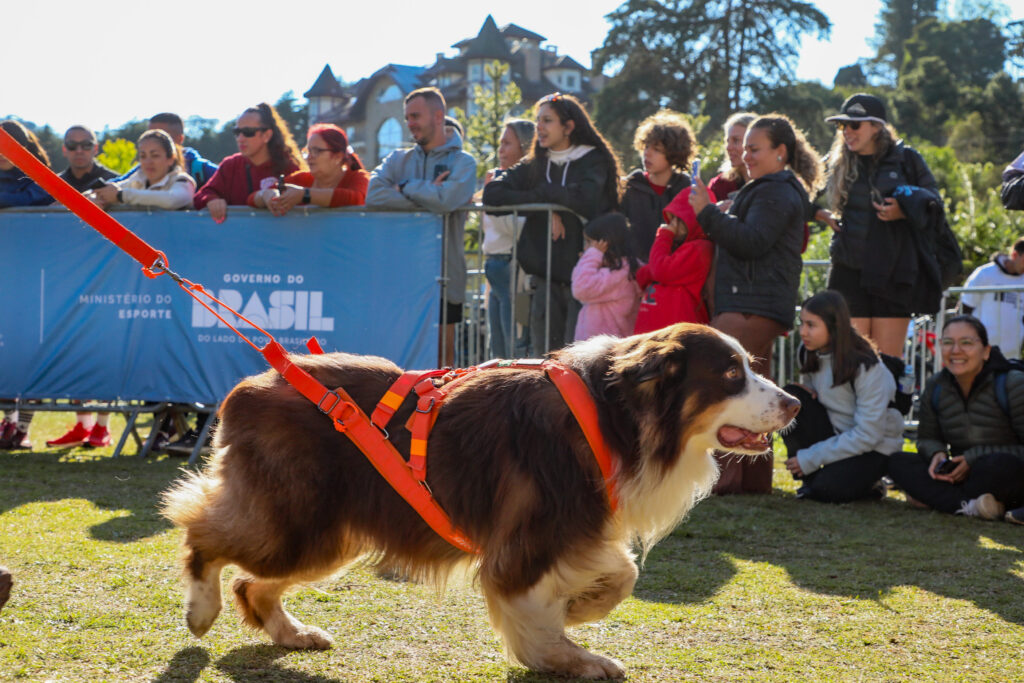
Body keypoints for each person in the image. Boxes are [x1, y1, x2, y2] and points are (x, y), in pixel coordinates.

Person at [689, 113, 824, 495]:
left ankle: (726, 483)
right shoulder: (773, 188)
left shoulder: (774, 190)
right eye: (744, 147)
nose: (745, 155)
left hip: (749, 306)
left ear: (780, 152)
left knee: (731, 393)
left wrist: (708, 211)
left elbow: (752, 241)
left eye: (754, 148)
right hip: (755, 305)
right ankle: (750, 482)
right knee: (755, 394)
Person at [483, 93, 623, 355]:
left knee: (579, 357)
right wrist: (544, 205)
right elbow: (493, 195)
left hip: (584, 279)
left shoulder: (593, 160)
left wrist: (547, 196)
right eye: (538, 120)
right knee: (543, 359)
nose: (540, 127)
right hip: (545, 277)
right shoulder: (536, 162)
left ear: (568, 127)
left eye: (547, 120)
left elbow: (586, 200)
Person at [816, 93, 941, 357]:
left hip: (893, 271)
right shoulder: (836, 160)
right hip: (848, 271)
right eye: (842, 125)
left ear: (877, 126)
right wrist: (820, 213)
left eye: (855, 125)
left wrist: (904, 211)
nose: (847, 131)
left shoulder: (907, 159)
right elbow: (799, 194)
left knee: (886, 363)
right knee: (850, 362)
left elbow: (934, 204)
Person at [366, 87, 477, 367]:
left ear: (438, 116)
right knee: (396, 359)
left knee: (443, 361)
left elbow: (449, 198)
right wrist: (429, 197)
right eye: (407, 118)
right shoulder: (396, 159)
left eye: (415, 116)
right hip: (402, 276)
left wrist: (405, 187)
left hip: (445, 278)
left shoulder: (464, 163)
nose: (410, 123)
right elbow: (374, 194)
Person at [888, 315, 1024, 522]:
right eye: (948, 343)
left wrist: (973, 458)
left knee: (997, 466)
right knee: (897, 462)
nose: (956, 350)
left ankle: (945, 501)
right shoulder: (936, 385)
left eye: (966, 343)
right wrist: (937, 453)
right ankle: (974, 506)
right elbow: (926, 438)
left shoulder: (1012, 384)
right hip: (958, 474)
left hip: (1002, 470)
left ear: (986, 351)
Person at [781, 291, 904, 503]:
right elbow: (812, 400)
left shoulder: (867, 366)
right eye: (802, 323)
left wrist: (810, 457)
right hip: (836, 433)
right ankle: (810, 480)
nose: (803, 331)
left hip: (873, 446)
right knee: (791, 399)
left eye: (811, 325)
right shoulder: (807, 352)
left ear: (834, 326)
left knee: (828, 490)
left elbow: (868, 435)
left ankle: (868, 484)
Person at [0, 119, 53, 449]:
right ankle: (7, 422)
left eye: (9, 146)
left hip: (35, 278)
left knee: (29, 349)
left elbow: (41, 196)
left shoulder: (40, 179)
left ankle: (21, 426)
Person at [193, 102, 305, 223]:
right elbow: (201, 196)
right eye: (237, 132)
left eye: (248, 132)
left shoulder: (289, 167)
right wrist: (211, 200)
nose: (240, 138)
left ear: (267, 135)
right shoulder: (230, 165)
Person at [479, 119, 533, 358]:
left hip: (513, 265)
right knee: (497, 345)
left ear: (524, 147)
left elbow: (519, 229)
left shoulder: (520, 186)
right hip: (493, 264)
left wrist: (493, 204)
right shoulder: (495, 181)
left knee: (514, 343)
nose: (500, 150)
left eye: (507, 143)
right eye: (500, 143)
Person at [633, 188, 715, 333]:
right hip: (654, 333)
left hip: (678, 336)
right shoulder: (676, 246)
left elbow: (660, 271)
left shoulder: (700, 248)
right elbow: (643, 276)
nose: (673, 225)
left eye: (679, 219)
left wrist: (663, 236)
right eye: (672, 218)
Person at [621, 110, 694, 259]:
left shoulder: (686, 189)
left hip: (672, 273)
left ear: (674, 154)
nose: (647, 153)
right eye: (646, 146)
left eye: (657, 149)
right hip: (633, 274)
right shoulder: (628, 187)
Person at [252, 123, 367, 215]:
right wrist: (266, 195)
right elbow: (251, 198)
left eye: (317, 151)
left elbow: (356, 198)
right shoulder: (301, 179)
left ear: (338, 156)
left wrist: (305, 195)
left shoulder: (359, 177)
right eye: (308, 151)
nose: (309, 157)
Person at [571, 212, 641, 340]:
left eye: (589, 243)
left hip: (601, 349)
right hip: (607, 345)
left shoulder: (619, 274)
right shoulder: (625, 268)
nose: (586, 248)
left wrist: (592, 256)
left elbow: (580, 288)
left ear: (605, 244)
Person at [88, 130, 196, 210]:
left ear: (170, 159)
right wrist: (96, 199)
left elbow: (172, 200)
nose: (148, 162)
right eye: (143, 156)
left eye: (155, 156)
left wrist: (121, 196)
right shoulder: (136, 180)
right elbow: (109, 191)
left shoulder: (183, 181)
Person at [113, 113, 218, 189]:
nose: (152, 142)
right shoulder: (142, 169)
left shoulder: (201, 170)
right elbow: (116, 185)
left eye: (162, 137)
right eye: (149, 136)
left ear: (180, 139)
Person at [959, 237, 1024, 360]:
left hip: (1012, 354)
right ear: (1015, 255)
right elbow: (964, 308)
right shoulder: (985, 274)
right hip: (981, 352)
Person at [707, 112, 757, 204]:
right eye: (727, 141)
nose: (728, 147)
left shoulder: (773, 183)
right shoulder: (720, 185)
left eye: (736, 140)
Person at [57, 125, 117, 192]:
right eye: (72, 145)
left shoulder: (115, 182)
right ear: (64, 150)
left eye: (86, 144)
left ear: (96, 149)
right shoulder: (54, 184)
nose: (79, 151)